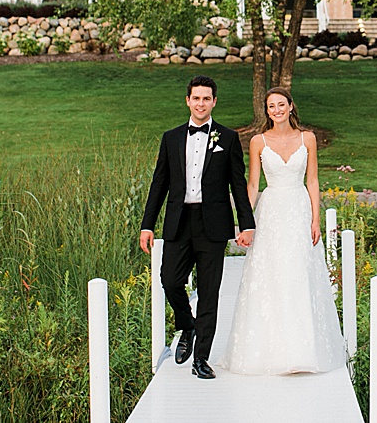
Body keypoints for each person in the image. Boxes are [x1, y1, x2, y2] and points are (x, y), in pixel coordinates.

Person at [217, 86, 347, 374]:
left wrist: (316, 219)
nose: (276, 110)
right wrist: (244, 222)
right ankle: (271, 351)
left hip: (299, 209)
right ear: (267, 112)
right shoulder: (258, 142)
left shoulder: (308, 138)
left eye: (280, 104)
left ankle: (302, 351)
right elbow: (253, 185)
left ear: (290, 106)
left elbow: (312, 181)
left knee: (300, 273)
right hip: (272, 211)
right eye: (270, 106)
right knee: (272, 275)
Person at [140, 74, 256, 380]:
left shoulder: (228, 139)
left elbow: (238, 184)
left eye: (207, 98)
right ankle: (187, 326)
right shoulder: (171, 138)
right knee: (170, 280)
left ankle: (201, 358)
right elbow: (159, 184)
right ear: (187, 101)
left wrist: (246, 225)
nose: (201, 103)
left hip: (213, 225)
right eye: (196, 98)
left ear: (214, 102)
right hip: (179, 222)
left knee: (209, 293)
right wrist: (147, 225)